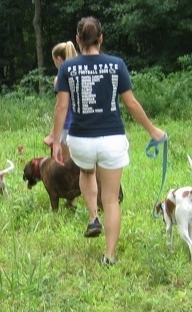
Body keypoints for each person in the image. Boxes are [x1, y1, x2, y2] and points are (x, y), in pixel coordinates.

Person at [52, 17, 166, 266]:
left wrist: (54, 140)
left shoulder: (67, 69)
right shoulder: (116, 65)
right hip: (112, 139)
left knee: (87, 171)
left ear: (78, 40)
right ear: (101, 38)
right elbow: (131, 103)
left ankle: (93, 216)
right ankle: (109, 256)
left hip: (81, 140)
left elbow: (61, 106)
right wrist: (152, 130)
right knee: (112, 199)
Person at [43, 41, 77, 148]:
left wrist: (52, 135)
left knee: (63, 164)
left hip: (67, 127)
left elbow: (62, 107)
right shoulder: (81, 75)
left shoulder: (59, 79)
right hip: (85, 127)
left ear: (58, 59)